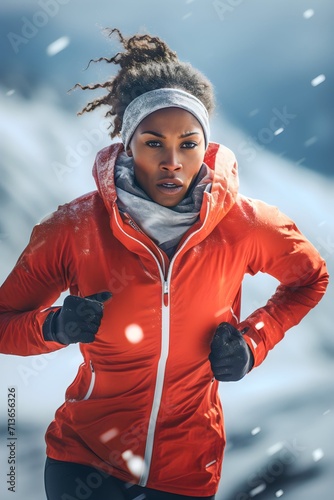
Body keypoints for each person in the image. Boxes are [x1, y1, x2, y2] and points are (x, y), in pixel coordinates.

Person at [0, 28, 329, 500]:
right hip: (83, 464)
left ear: (207, 147)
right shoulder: (74, 228)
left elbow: (310, 279)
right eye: (154, 143)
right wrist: (53, 326)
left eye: (188, 143)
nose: (172, 161)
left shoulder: (246, 224)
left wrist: (256, 342)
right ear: (128, 145)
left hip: (186, 474)